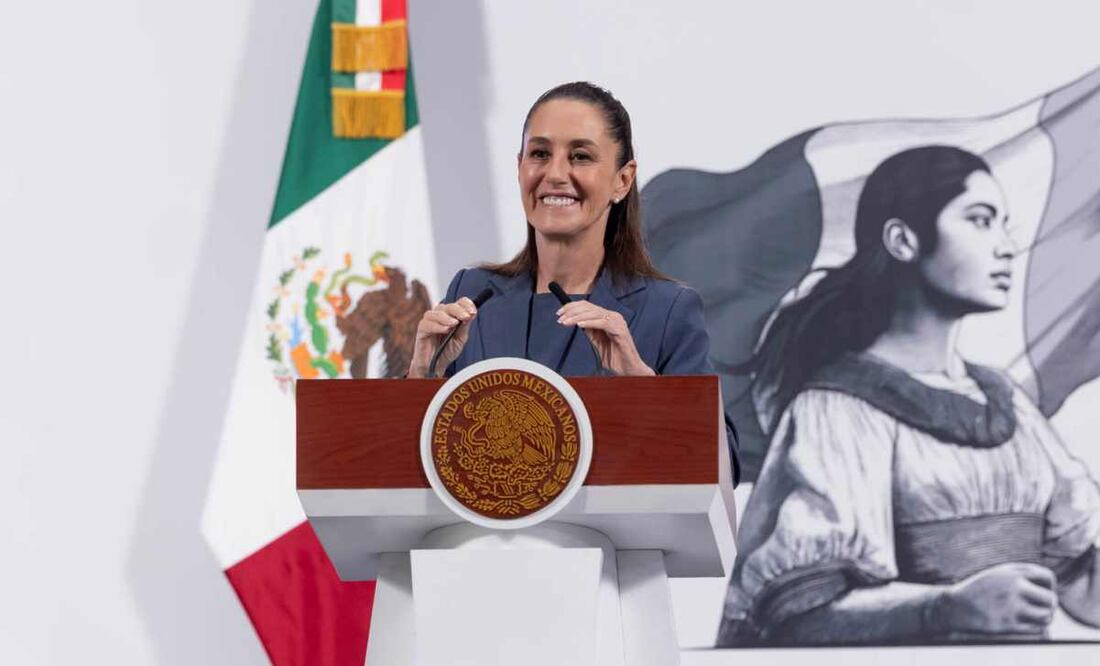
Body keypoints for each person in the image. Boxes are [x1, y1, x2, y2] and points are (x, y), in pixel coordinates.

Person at [716, 146, 1100, 645]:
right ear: (902, 240)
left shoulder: (1006, 403)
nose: (1006, 246)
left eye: (1004, 224)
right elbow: (796, 614)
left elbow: (1080, 578)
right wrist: (946, 607)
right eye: (981, 221)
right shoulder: (837, 410)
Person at [406, 82, 738, 479]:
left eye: (580, 156)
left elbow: (726, 466)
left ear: (623, 180)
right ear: (519, 167)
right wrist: (419, 376)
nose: (555, 174)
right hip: (481, 539)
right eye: (540, 154)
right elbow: (409, 459)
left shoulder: (665, 310)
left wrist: (642, 385)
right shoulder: (472, 294)